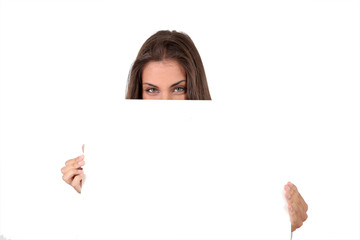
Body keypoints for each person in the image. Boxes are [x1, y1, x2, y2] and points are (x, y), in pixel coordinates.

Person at [60, 30, 308, 232]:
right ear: (139, 92)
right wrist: (97, 192)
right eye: (152, 90)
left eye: (178, 89)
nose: (165, 102)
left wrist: (285, 221)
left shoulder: (236, 147)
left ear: (194, 88)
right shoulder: (119, 152)